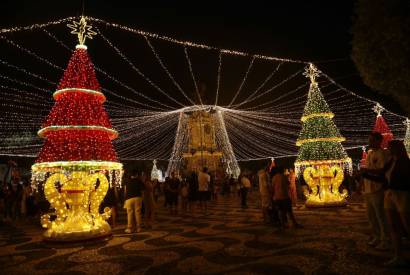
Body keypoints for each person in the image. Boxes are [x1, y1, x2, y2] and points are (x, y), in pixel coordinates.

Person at [360, 132, 391, 250]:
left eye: (372, 140)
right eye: (369, 140)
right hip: (368, 189)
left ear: (379, 141)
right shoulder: (370, 154)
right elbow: (367, 171)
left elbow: (382, 170)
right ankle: (377, 236)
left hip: (377, 188)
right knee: (371, 215)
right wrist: (360, 186)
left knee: (380, 215)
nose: (369, 143)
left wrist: (366, 171)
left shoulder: (383, 153)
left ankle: (385, 239)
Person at [383, 140, 410, 267]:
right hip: (390, 194)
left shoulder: (405, 163)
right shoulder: (390, 162)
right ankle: (398, 256)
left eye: (389, 147)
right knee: (393, 226)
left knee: (407, 225)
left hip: (402, 194)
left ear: (397, 149)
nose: (387, 149)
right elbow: (383, 176)